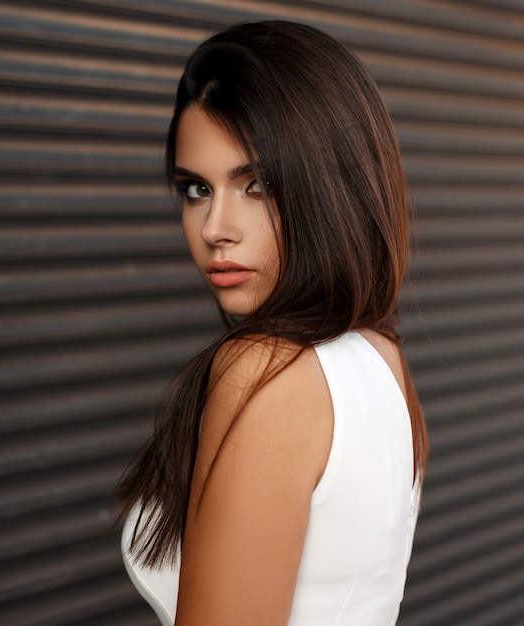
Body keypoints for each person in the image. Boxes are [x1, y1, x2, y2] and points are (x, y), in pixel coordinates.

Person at [116, 20, 429, 626]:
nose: (214, 228)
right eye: (196, 189)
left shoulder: (264, 367)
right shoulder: (379, 357)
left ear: (330, 183)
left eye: (255, 183)